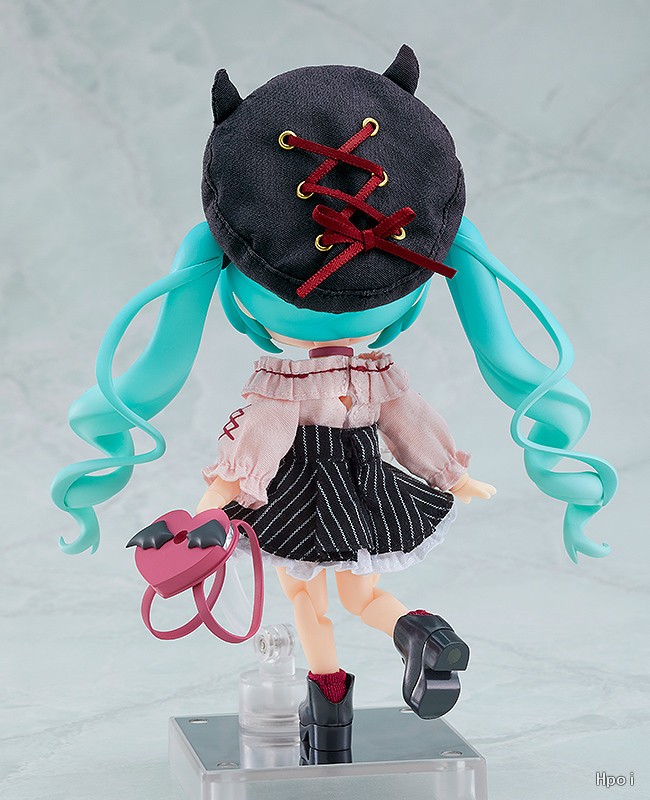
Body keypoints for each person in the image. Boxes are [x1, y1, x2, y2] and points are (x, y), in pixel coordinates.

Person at [51, 46, 617, 764]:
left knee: (307, 601)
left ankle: (329, 708)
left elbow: (257, 446)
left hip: (300, 492)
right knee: (360, 595)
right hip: (365, 482)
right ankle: (419, 633)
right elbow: (408, 419)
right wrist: (451, 473)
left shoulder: (281, 384)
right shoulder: (380, 372)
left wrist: (213, 505)